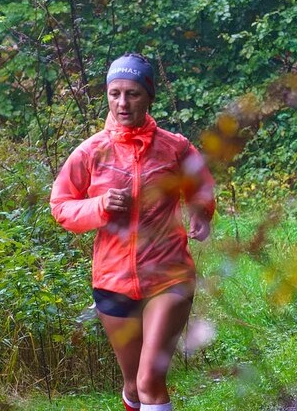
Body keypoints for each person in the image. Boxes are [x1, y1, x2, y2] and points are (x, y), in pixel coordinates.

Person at [50, 54, 216, 411]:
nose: (122, 103)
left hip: (168, 275)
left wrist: (202, 213)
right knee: (133, 385)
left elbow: (200, 183)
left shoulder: (175, 147)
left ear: (149, 96)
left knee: (149, 380)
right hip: (113, 280)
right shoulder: (91, 152)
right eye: (115, 94)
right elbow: (61, 207)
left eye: (133, 93)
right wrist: (99, 206)